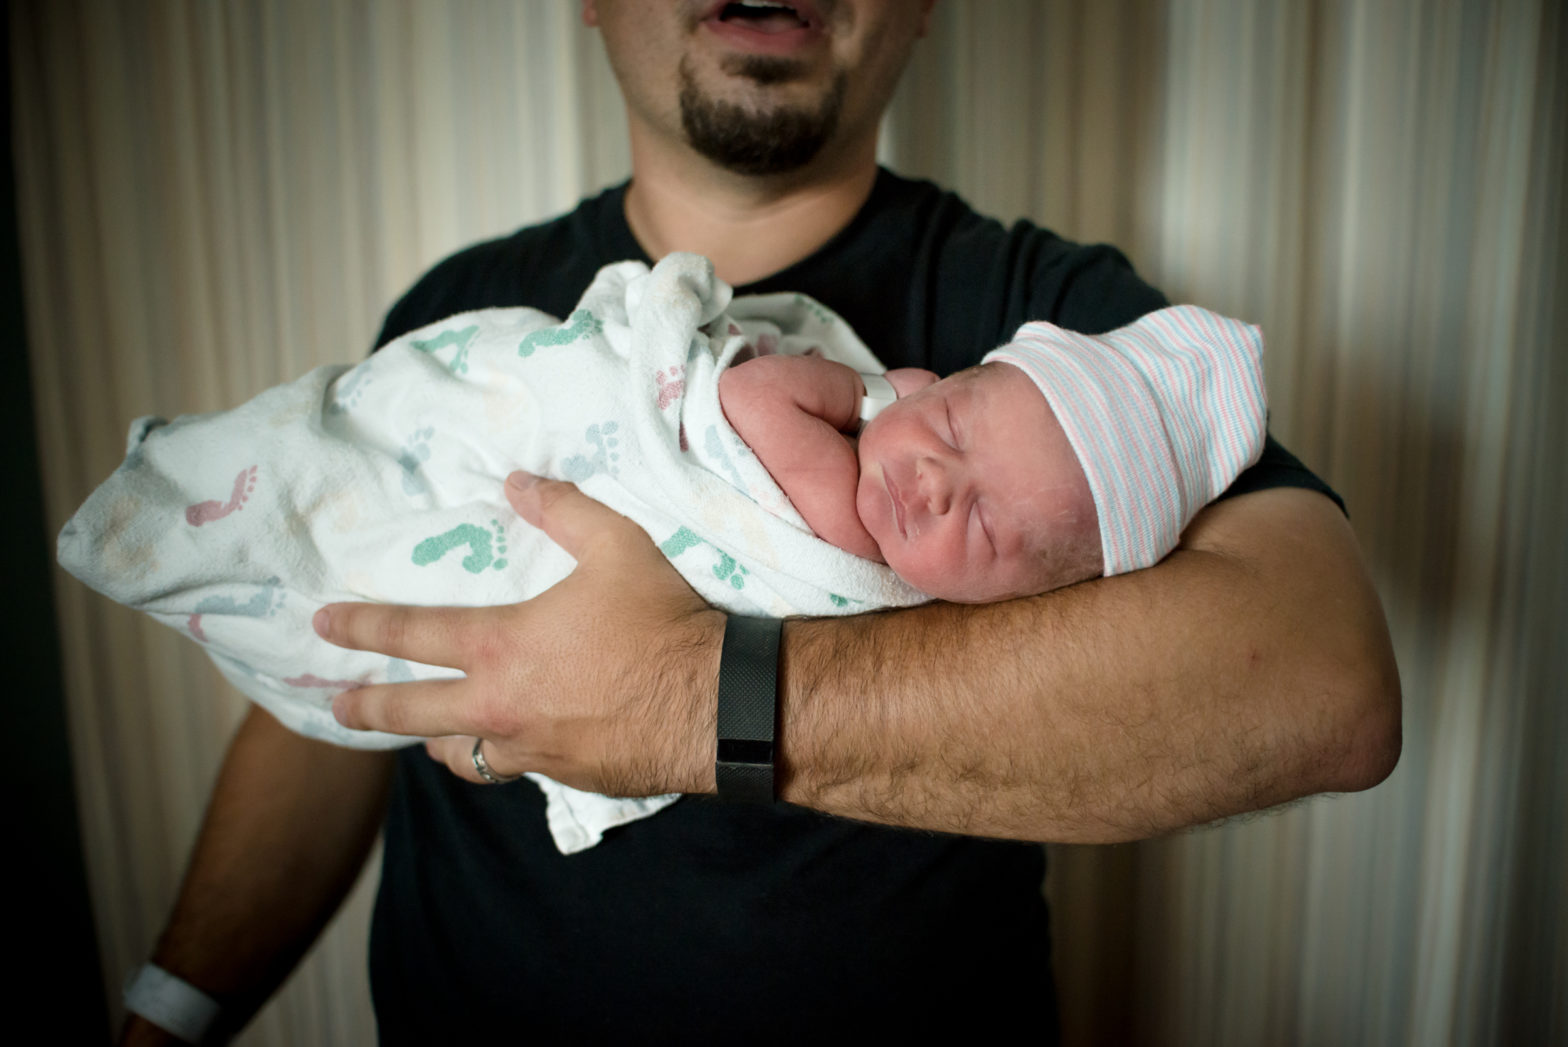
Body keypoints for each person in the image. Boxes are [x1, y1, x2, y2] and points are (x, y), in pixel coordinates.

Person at [120, 1, 1400, 1043]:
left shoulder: (1050, 334)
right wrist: (174, 1008)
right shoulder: (465, 326)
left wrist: (687, 700)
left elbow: (1320, 682)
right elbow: (342, 636)